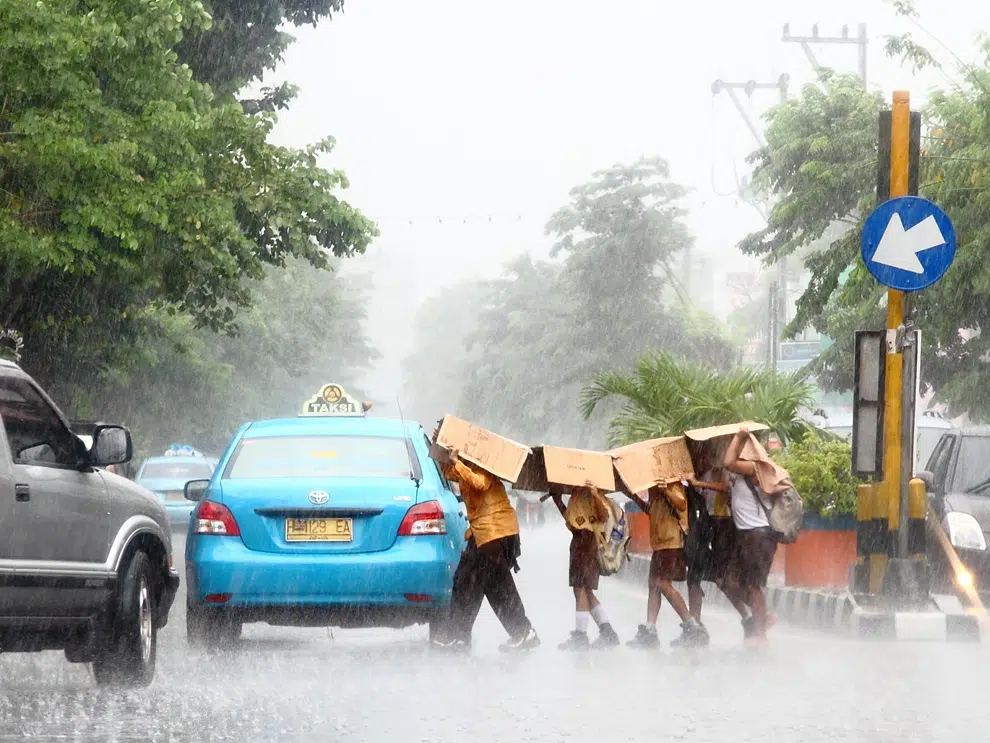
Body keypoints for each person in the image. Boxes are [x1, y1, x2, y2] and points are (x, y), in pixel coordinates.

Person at [433, 449, 540, 652]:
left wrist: (457, 461)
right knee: (465, 581)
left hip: (496, 533)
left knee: (499, 587)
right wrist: (442, 453)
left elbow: (479, 483)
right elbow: (449, 472)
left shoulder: (485, 465)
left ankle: (524, 632)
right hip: (479, 535)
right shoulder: (463, 466)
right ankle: (459, 634)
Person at [721, 427, 789, 646]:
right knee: (727, 581)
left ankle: (761, 633)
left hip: (758, 536)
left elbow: (729, 462)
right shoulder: (744, 472)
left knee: (752, 584)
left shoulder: (755, 467)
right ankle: (764, 616)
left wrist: (740, 436)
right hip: (745, 535)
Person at [623, 480, 707, 648]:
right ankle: (650, 631)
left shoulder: (672, 483)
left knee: (662, 583)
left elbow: (681, 504)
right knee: (653, 585)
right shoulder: (654, 484)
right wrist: (631, 495)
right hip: (659, 542)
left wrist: (665, 489)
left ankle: (692, 627)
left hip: (671, 542)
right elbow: (652, 510)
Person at [549, 483, 620, 650]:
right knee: (584, 590)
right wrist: (558, 501)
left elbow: (603, 516)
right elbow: (573, 522)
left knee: (581, 588)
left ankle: (581, 637)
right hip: (579, 541)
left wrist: (595, 493)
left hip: (587, 542)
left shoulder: (594, 491)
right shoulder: (577, 492)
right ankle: (607, 632)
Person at [684, 450, 748, 632]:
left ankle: (749, 615)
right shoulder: (704, 473)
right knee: (694, 577)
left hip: (722, 525)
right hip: (706, 527)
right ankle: (695, 623)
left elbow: (725, 487)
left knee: (722, 579)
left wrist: (699, 483)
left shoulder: (725, 472)